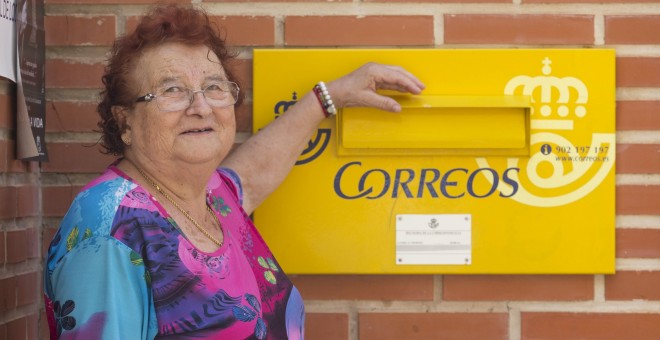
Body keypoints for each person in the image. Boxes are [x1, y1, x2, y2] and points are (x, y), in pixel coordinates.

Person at [43, 3, 425, 339]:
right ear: (124, 121)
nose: (201, 106)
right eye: (172, 90)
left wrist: (329, 98)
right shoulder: (109, 231)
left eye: (214, 87)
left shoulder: (210, 195)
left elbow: (254, 172)